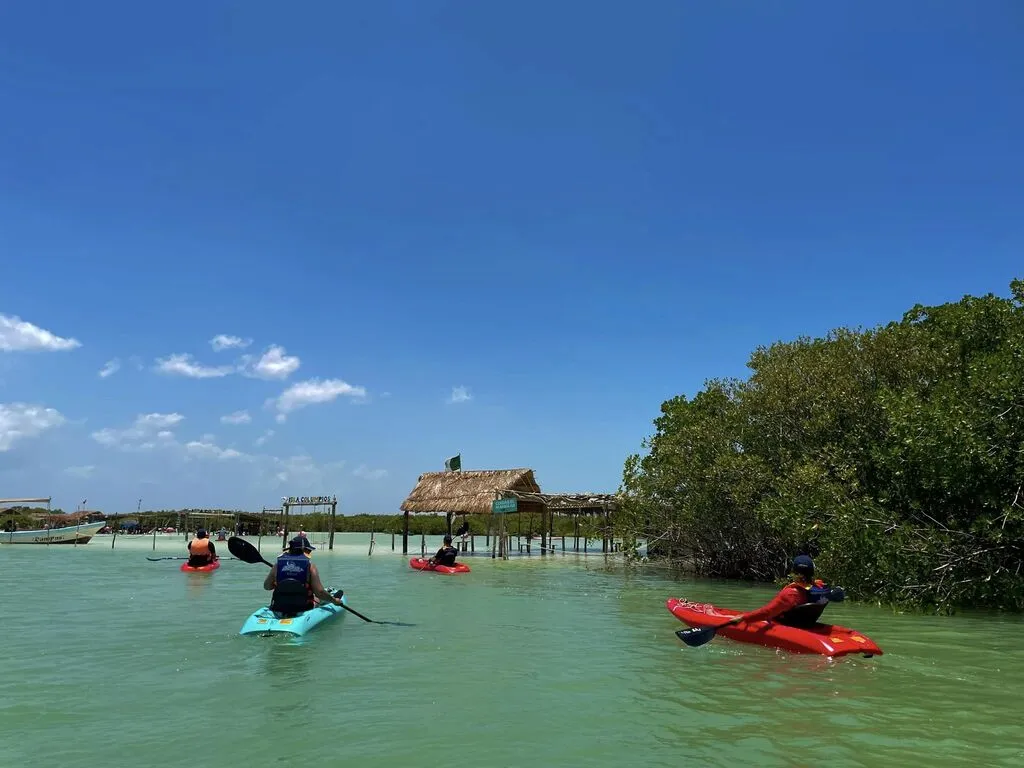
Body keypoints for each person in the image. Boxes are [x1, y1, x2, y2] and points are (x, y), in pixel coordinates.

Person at [720, 554, 846, 629]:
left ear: (794, 572)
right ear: (812, 572)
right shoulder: (821, 587)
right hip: (807, 625)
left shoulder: (791, 594)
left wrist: (743, 618)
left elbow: (767, 612)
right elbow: (839, 595)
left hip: (787, 625)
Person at [263, 535, 342, 616]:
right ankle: (332, 597)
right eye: (309, 551)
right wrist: (334, 600)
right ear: (304, 550)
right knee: (318, 598)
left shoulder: (277, 565)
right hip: (303, 607)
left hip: (279, 606)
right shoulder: (310, 567)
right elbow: (320, 592)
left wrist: (279, 583)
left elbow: (267, 586)